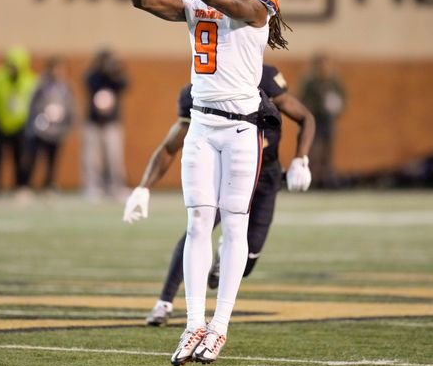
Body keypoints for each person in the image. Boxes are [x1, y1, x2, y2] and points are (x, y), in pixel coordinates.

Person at [105, 0, 303, 365]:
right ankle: (194, 324)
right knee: (197, 223)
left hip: (241, 129)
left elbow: (228, 3)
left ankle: (219, 327)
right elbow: (146, 0)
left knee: (233, 225)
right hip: (202, 123)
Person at [123, 64, 315, 327]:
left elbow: (305, 117)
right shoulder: (201, 90)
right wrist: (143, 187)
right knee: (197, 228)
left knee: (246, 261)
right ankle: (164, 303)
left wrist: (300, 159)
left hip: (264, 177)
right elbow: (171, 145)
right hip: (222, 173)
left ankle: (223, 260)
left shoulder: (263, 78)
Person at [0, 47, 37, 197]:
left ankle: (21, 187)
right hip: (0, 123)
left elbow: (34, 103)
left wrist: (30, 121)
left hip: (20, 126)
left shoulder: (30, 81)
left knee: (21, 158)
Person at [82, 48, 129, 201]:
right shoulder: (93, 75)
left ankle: (116, 187)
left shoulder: (115, 77)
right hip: (93, 122)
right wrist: (100, 69)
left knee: (114, 158)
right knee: (92, 158)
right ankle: (93, 187)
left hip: (111, 122)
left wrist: (115, 70)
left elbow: (125, 84)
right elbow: (88, 81)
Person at [26, 57, 75, 191]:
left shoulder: (65, 87)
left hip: (57, 129)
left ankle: (48, 185)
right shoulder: (41, 84)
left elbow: (70, 106)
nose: (58, 72)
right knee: (33, 158)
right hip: (41, 129)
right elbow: (33, 104)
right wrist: (35, 121)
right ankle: (27, 185)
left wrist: (68, 124)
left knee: (52, 160)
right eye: (56, 68)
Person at [299, 55, 347, 188]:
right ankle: (312, 179)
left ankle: (326, 180)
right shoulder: (310, 82)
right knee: (313, 150)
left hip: (328, 119)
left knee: (327, 150)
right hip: (314, 120)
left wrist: (336, 108)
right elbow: (302, 100)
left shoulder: (333, 82)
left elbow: (342, 99)